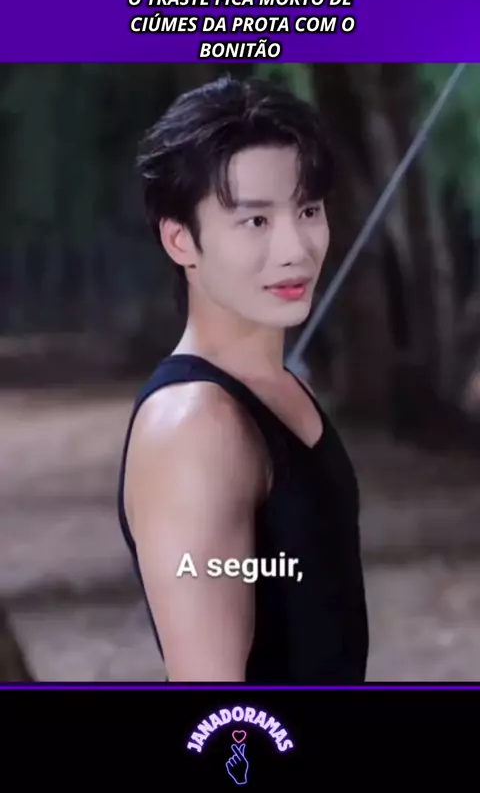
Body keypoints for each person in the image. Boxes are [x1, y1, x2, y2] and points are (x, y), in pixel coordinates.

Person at [117, 76, 369, 683]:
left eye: (307, 211)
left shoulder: (282, 389)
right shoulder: (196, 426)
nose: (295, 249)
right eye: (255, 221)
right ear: (181, 240)